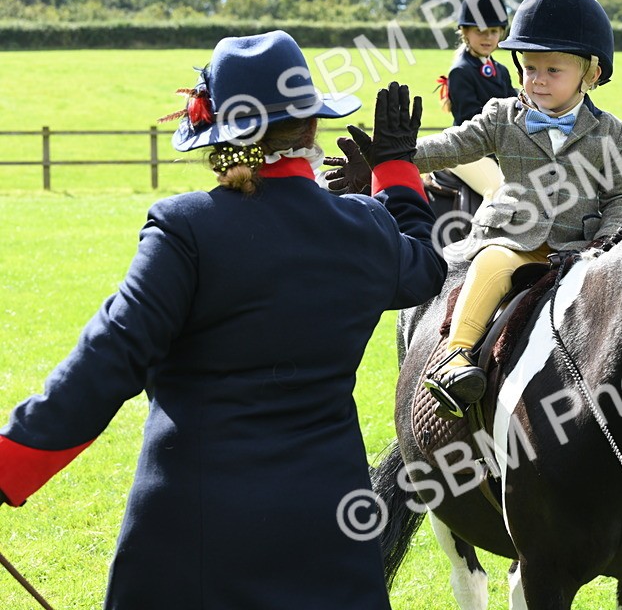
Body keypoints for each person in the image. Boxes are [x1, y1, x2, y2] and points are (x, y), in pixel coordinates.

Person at [0, 31, 446, 609]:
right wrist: (394, 168)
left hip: (195, 534)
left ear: (217, 137)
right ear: (311, 126)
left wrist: (10, 468)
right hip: (332, 528)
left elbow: (108, 360)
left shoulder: (185, 229)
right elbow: (426, 265)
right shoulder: (365, 228)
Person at [357, 0, 622, 419]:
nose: (537, 80)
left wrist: (605, 245)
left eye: (553, 71)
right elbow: (454, 145)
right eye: (529, 68)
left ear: (591, 73)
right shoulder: (502, 116)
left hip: (579, 248)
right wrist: (395, 155)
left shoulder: (612, 133)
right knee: (493, 264)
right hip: (512, 238)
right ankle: (454, 356)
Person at [437, 0, 518, 200]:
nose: (488, 37)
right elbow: (469, 118)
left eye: (493, 31)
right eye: (480, 31)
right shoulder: (461, 71)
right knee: (498, 189)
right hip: (467, 148)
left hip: (497, 148)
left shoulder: (501, 70)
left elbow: (515, 105)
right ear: (465, 32)